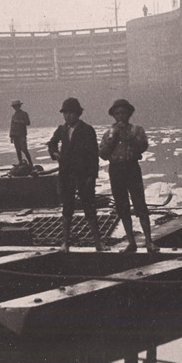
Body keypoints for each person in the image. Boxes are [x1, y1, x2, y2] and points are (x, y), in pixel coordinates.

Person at [100, 99, 153, 252]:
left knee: (140, 204)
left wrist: (128, 137)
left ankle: (149, 241)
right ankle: (131, 242)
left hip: (132, 168)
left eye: (124, 113)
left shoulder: (137, 130)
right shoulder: (108, 132)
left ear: (129, 114)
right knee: (122, 206)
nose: (120, 116)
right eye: (117, 113)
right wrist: (113, 138)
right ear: (113, 116)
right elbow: (103, 154)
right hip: (115, 170)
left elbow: (143, 146)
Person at [47, 97, 101, 250]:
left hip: (84, 175)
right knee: (67, 208)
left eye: (71, 113)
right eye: (65, 113)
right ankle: (65, 242)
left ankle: (98, 242)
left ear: (78, 113)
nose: (68, 116)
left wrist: (92, 176)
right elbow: (51, 144)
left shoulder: (87, 129)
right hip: (66, 174)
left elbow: (94, 155)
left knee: (89, 208)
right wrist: (55, 153)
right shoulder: (62, 129)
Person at [9, 99, 33, 167]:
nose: (15, 107)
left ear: (19, 106)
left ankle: (31, 163)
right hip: (15, 135)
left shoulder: (24, 114)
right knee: (18, 150)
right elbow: (12, 126)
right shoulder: (14, 115)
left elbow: (28, 123)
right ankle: (20, 163)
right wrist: (11, 136)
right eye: (14, 106)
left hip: (22, 135)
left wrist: (19, 121)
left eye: (16, 106)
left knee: (24, 149)